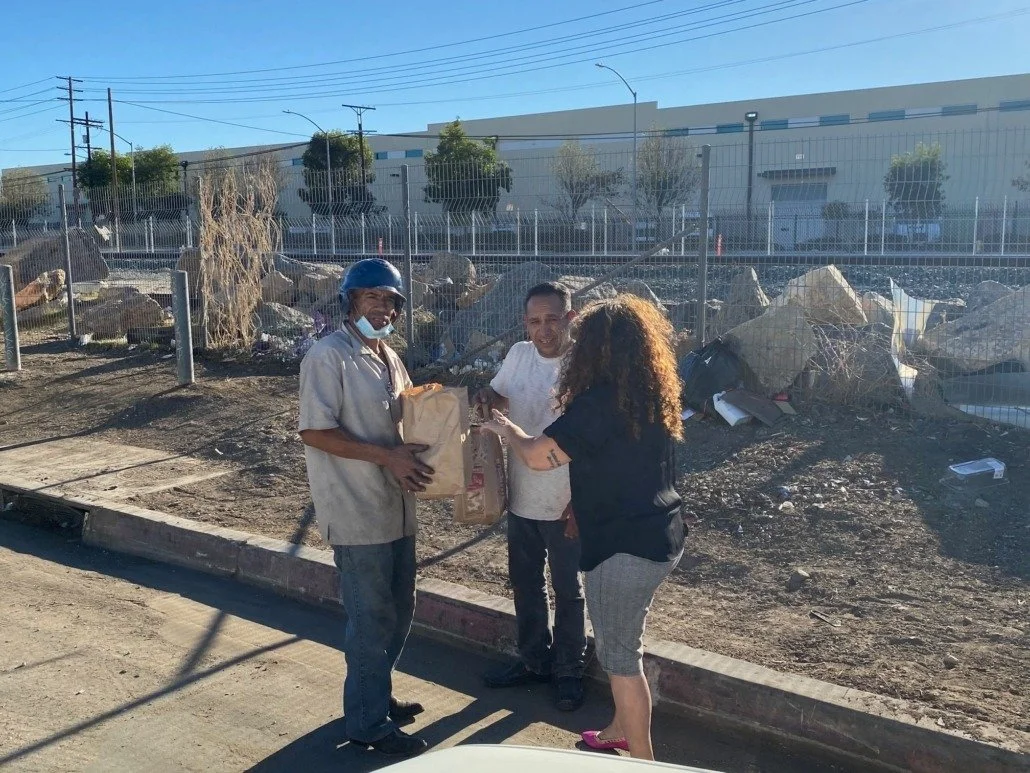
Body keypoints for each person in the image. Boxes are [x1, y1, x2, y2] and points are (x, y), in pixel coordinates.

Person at [482, 295, 686, 761]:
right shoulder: (648, 393)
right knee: (623, 638)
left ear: (595, 348)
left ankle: (643, 762)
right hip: (661, 535)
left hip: (624, 549)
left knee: (620, 659)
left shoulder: (599, 402)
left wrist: (503, 427)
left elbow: (536, 455)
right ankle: (618, 728)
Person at [298, 258, 434, 759]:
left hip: (396, 507)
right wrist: (387, 456)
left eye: (390, 300)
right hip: (357, 512)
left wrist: (455, 417)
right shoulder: (327, 356)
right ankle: (366, 724)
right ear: (349, 302)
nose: (382, 307)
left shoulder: (389, 358)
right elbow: (314, 431)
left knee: (399, 613)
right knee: (371, 618)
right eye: (371, 297)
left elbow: (410, 418)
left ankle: (376, 696)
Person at [475, 282, 587, 712]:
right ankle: (533, 659)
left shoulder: (585, 367)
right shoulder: (519, 355)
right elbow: (503, 395)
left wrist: (581, 501)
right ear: (525, 323)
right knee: (525, 584)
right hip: (522, 495)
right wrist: (488, 396)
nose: (544, 330)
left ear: (570, 319)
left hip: (566, 503)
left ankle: (569, 670)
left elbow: (595, 441)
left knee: (568, 589)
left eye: (552, 319)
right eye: (535, 321)